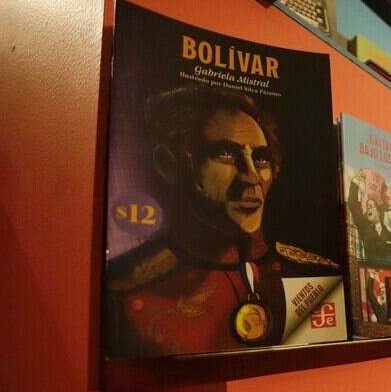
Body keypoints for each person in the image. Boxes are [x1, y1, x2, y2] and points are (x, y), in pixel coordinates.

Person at [106, 85, 339, 357]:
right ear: (168, 164)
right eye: (226, 154)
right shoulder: (125, 293)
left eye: (261, 159)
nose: (251, 177)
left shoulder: (318, 275)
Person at [348, 172, 391, 263]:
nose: (368, 209)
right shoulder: (365, 227)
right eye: (367, 206)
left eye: (370, 206)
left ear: (378, 212)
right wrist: (356, 180)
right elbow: (353, 203)